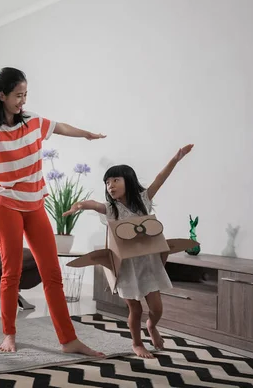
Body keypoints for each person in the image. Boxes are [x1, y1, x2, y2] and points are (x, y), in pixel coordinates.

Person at [0, 67, 106, 356]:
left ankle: (68, 340)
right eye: (18, 95)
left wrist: (86, 135)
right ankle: (9, 334)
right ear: (1, 95)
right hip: (5, 207)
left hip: (35, 204)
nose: (22, 101)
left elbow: (61, 127)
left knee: (52, 274)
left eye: (25, 95)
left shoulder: (34, 123)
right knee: (11, 273)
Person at [63, 144, 194, 358]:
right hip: (126, 267)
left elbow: (161, 178)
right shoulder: (110, 209)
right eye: (107, 182)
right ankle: (137, 343)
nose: (110, 185)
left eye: (115, 180)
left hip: (149, 263)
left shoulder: (143, 201)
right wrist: (79, 205)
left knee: (157, 308)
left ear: (128, 181)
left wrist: (176, 159)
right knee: (136, 309)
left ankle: (151, 326)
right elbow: (94, 204)